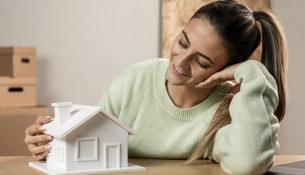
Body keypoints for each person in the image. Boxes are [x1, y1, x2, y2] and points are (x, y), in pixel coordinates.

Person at [24, 0, 287, 174]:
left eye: (202, 61)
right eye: (183, 43)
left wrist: (251, 72)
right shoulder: (137, 78)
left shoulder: (229, 110)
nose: (180, 62)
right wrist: (47, 144)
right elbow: (91, 141)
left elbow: (249, 163)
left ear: (225, 69)